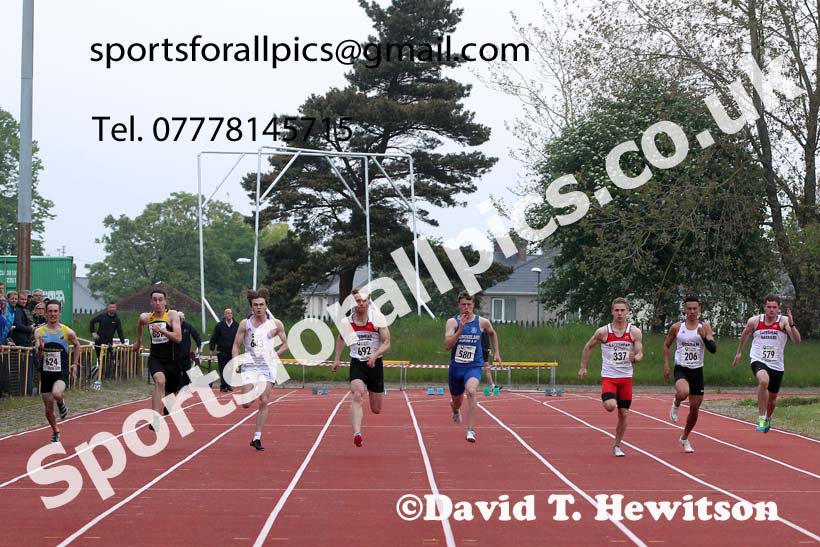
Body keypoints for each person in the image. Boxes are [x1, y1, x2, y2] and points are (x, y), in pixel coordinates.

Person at [579, 297, 644, 457]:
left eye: (622, 310)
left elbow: (640, 352)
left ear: (627, 312)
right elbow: (588, 346)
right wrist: (583, 367)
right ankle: (608, 398)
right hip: (609, 377)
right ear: (612, 312)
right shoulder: (603, 332)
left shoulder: (634, 332)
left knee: (624, 414)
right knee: (610, 406)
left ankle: (617, 445)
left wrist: (635, 358)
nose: (619, 313)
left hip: (626, 378)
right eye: (617, 310)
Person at [731, 295, 801, 433]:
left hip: (777, 364)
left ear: (778, 308)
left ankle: (768, 418)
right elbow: (745, 334)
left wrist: (792, 324)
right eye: (769, 307)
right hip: (758, 359)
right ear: (764, 307)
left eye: (774, 307)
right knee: (763, 381)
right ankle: (761, 418)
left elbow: (797, 341)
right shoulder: (755, 321)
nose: (771, 310)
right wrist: (739, 353)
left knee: (773, 399)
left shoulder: (784, 321)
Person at [332, 289, 391, 447]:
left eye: (364, 301)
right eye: (358, 301)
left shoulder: (377, 319)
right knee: (357, 394)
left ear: (368, 302)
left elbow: (387, 343)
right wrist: (337, 358)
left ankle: (376, 391)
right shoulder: (347, 322)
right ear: (353, 303)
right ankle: (357, 433)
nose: (361, 304)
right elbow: (341, 338)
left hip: (375, 364)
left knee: (376, 409)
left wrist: (375, 355)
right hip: (357, 362)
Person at [231, 289, 289, 451]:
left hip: (267, 365)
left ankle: (257, 437)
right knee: (246, 404)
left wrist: (275, 354)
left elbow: (286, 344)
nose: (258, 307)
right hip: (250, 364)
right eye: (255, 305)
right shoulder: (245, 324)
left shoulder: (276, 324)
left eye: (261, 304)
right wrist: (236, 362)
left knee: (264, 400)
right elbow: (236, 345)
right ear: (251, 306)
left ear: (266, 305)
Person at [444, 292, 502, 443]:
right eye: (463, 304)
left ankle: (470, 430)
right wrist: (460, 330)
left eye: (469, 305)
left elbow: (493, 333)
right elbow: (447, 346)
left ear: (473, 305)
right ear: (459, 305)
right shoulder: (452, 323)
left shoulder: (482, 322)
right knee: (457, 401)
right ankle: (454, 408)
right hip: (456, 368)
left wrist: (496, 352)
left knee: (471, 391)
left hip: (473, 366)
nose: (466, 308)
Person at [663, 297, 717, 453]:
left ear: (699, 309)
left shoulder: (704, 326)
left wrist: (704, 337)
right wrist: (666, 366)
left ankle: (684, 438)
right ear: (684, 310)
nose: (692, 312)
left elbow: (713, 349)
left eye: (695, 309)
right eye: (689, 309)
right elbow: (666, 346)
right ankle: (676, 402)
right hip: (681, 368)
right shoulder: (677, 327)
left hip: (697, 371)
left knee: (694, 409)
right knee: (683, 392)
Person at [133, 288, 182, 431]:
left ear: (165, 302)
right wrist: (138, 341)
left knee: (171, 395)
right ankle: (155, 419)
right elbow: (140, 325)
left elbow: (178, 338)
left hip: (172, 360)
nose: (157, 303)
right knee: (160, 381)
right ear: (151, 302)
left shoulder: (172, 315)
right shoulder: (146, 317)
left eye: (160, 300)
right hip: (156, 358)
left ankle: (167, 406)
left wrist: (162, 331)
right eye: (154, 300)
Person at [34, 300, 81, 443]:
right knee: (48, 410)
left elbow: (77, 345)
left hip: (61, 372)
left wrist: (75, 364)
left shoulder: (67, 331)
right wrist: (41, 348)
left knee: (57, 393)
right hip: (46, 373)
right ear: (46, 313)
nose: (53, 314)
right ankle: (55, 430)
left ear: (60, 313)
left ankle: (61, 403)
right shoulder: (39, 332)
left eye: (55, 311)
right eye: (50, 311)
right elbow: (38, 356)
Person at [208, 308, 238, 392]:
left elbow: (239, 337)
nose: (229, 315)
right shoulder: (219, 325)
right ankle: (223, 386)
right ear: (224, 315)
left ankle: (228, 384)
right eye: (227, 313)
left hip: (232, 350)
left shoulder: (236, 325)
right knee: (223, 368)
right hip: (222, 350)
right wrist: (211, 349)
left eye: (230, 313)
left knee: (231, 368)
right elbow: (214, 337)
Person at [90, 302, 126, 370]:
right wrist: (93, 332)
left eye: (113, 307)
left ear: (116, 308)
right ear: (108, 308)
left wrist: (123, 342)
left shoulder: (117, 320)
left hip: (108, 342)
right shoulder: (102, 316)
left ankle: (111, 371)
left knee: (111, 358)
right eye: (111, 307)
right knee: (100, 359)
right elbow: (92, 322)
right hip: (99, 341)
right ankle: (101, 372)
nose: (112, 309)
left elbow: (120, 331)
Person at [177, 312, 202, 388]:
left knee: (187, 370)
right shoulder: (172, 326)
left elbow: (195, 335)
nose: (179, 321)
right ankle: (178, 386)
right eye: (177, 319)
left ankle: (186, 386)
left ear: (182, 319)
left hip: (185, 353)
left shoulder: (187, 326)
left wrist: (199, 346)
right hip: (176, 353)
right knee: (177, 371)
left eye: (180, 319)